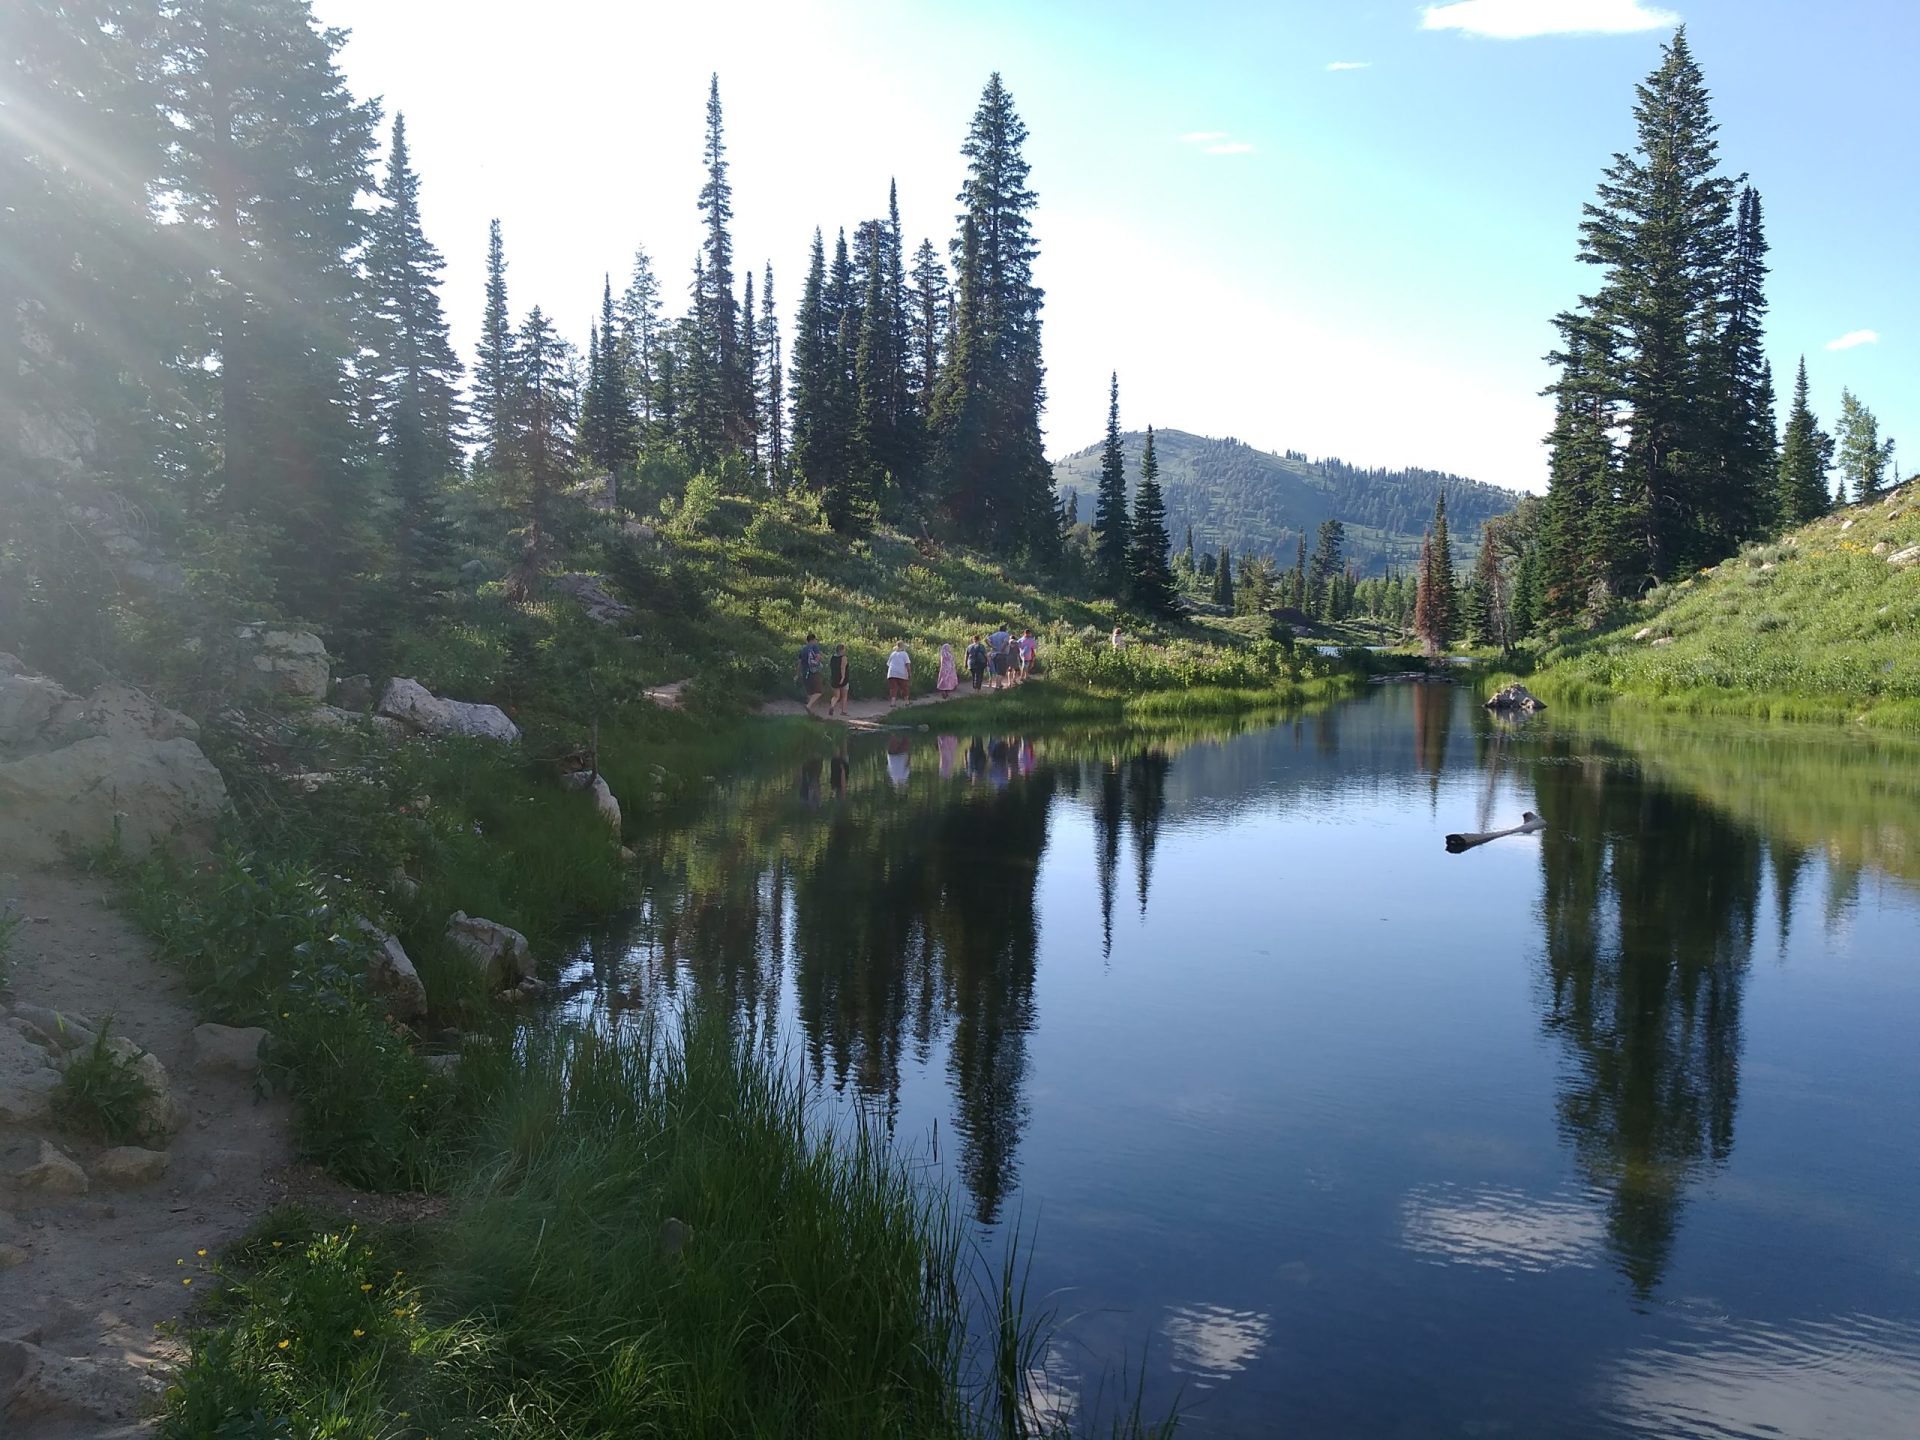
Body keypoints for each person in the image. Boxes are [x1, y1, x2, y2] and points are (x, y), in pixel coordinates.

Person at [797, 632, 824, 715]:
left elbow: (799, 663)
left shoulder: (803, 649)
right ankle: (808, 706)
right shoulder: (814, 647)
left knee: (810, 692)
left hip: (805, 672)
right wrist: (820, 662)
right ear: (813, 640)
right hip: (813, 671)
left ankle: (809, 712)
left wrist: (797, 674)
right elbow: (818, 657)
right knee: (818, 692)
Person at [827, 643, 851, 716]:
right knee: (844, 696)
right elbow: (842, 668)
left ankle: (832, 706)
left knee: (836, 696)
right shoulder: (843, 658)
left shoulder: (833, 657)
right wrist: (843, 677)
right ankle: (843, 711)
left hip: (834, 678)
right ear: (841, 650)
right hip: (843, 679)